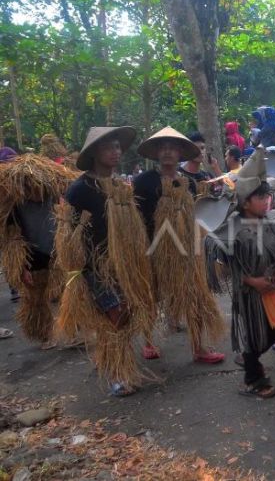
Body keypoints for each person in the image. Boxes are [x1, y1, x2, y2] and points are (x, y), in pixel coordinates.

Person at [59, 126, 157, 396]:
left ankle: (115, 362)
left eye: (117, 147)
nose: (115, 152)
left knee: (124, 315)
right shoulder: (80, 190)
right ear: (94, 153)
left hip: (123, 265)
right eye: (108, 148)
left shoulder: (119, 186)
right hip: (95, 266)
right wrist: (80, 268)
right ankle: (116, 373)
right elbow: (69, 233)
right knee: (113, 318)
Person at [206, 149, 275, 398]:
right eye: (260, 196)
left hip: (273, 289)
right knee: (254, 334)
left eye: (267, 194)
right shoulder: (232, 231)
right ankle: (251, 379)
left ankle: (251, 357)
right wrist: (251, 280)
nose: (267, 199)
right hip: (248, 294)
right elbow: (224, 267)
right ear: (245, 202)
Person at [133, 127, 226, 364]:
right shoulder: (144, 181)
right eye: (162, 148)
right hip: (153, 248)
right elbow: (136, 217)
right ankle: (149, 342)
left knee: (195, 295)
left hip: (184, 249)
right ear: (155, 152)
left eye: (172, 148)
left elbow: (193, 215)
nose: (167, 152)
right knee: (151, 296)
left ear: (180, 152)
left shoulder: (188, 183)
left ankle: (199, 347)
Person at [0, 149, 75, 347]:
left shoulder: (51, 196)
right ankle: (44, 334)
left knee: (65, 295)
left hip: (55, 253)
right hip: (33, 258)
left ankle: (71, 333)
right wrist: (22, 268)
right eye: (32, 185)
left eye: (40, 184)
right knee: (37, 300)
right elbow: (12, 238)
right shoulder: (16, 206)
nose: (37, 189)